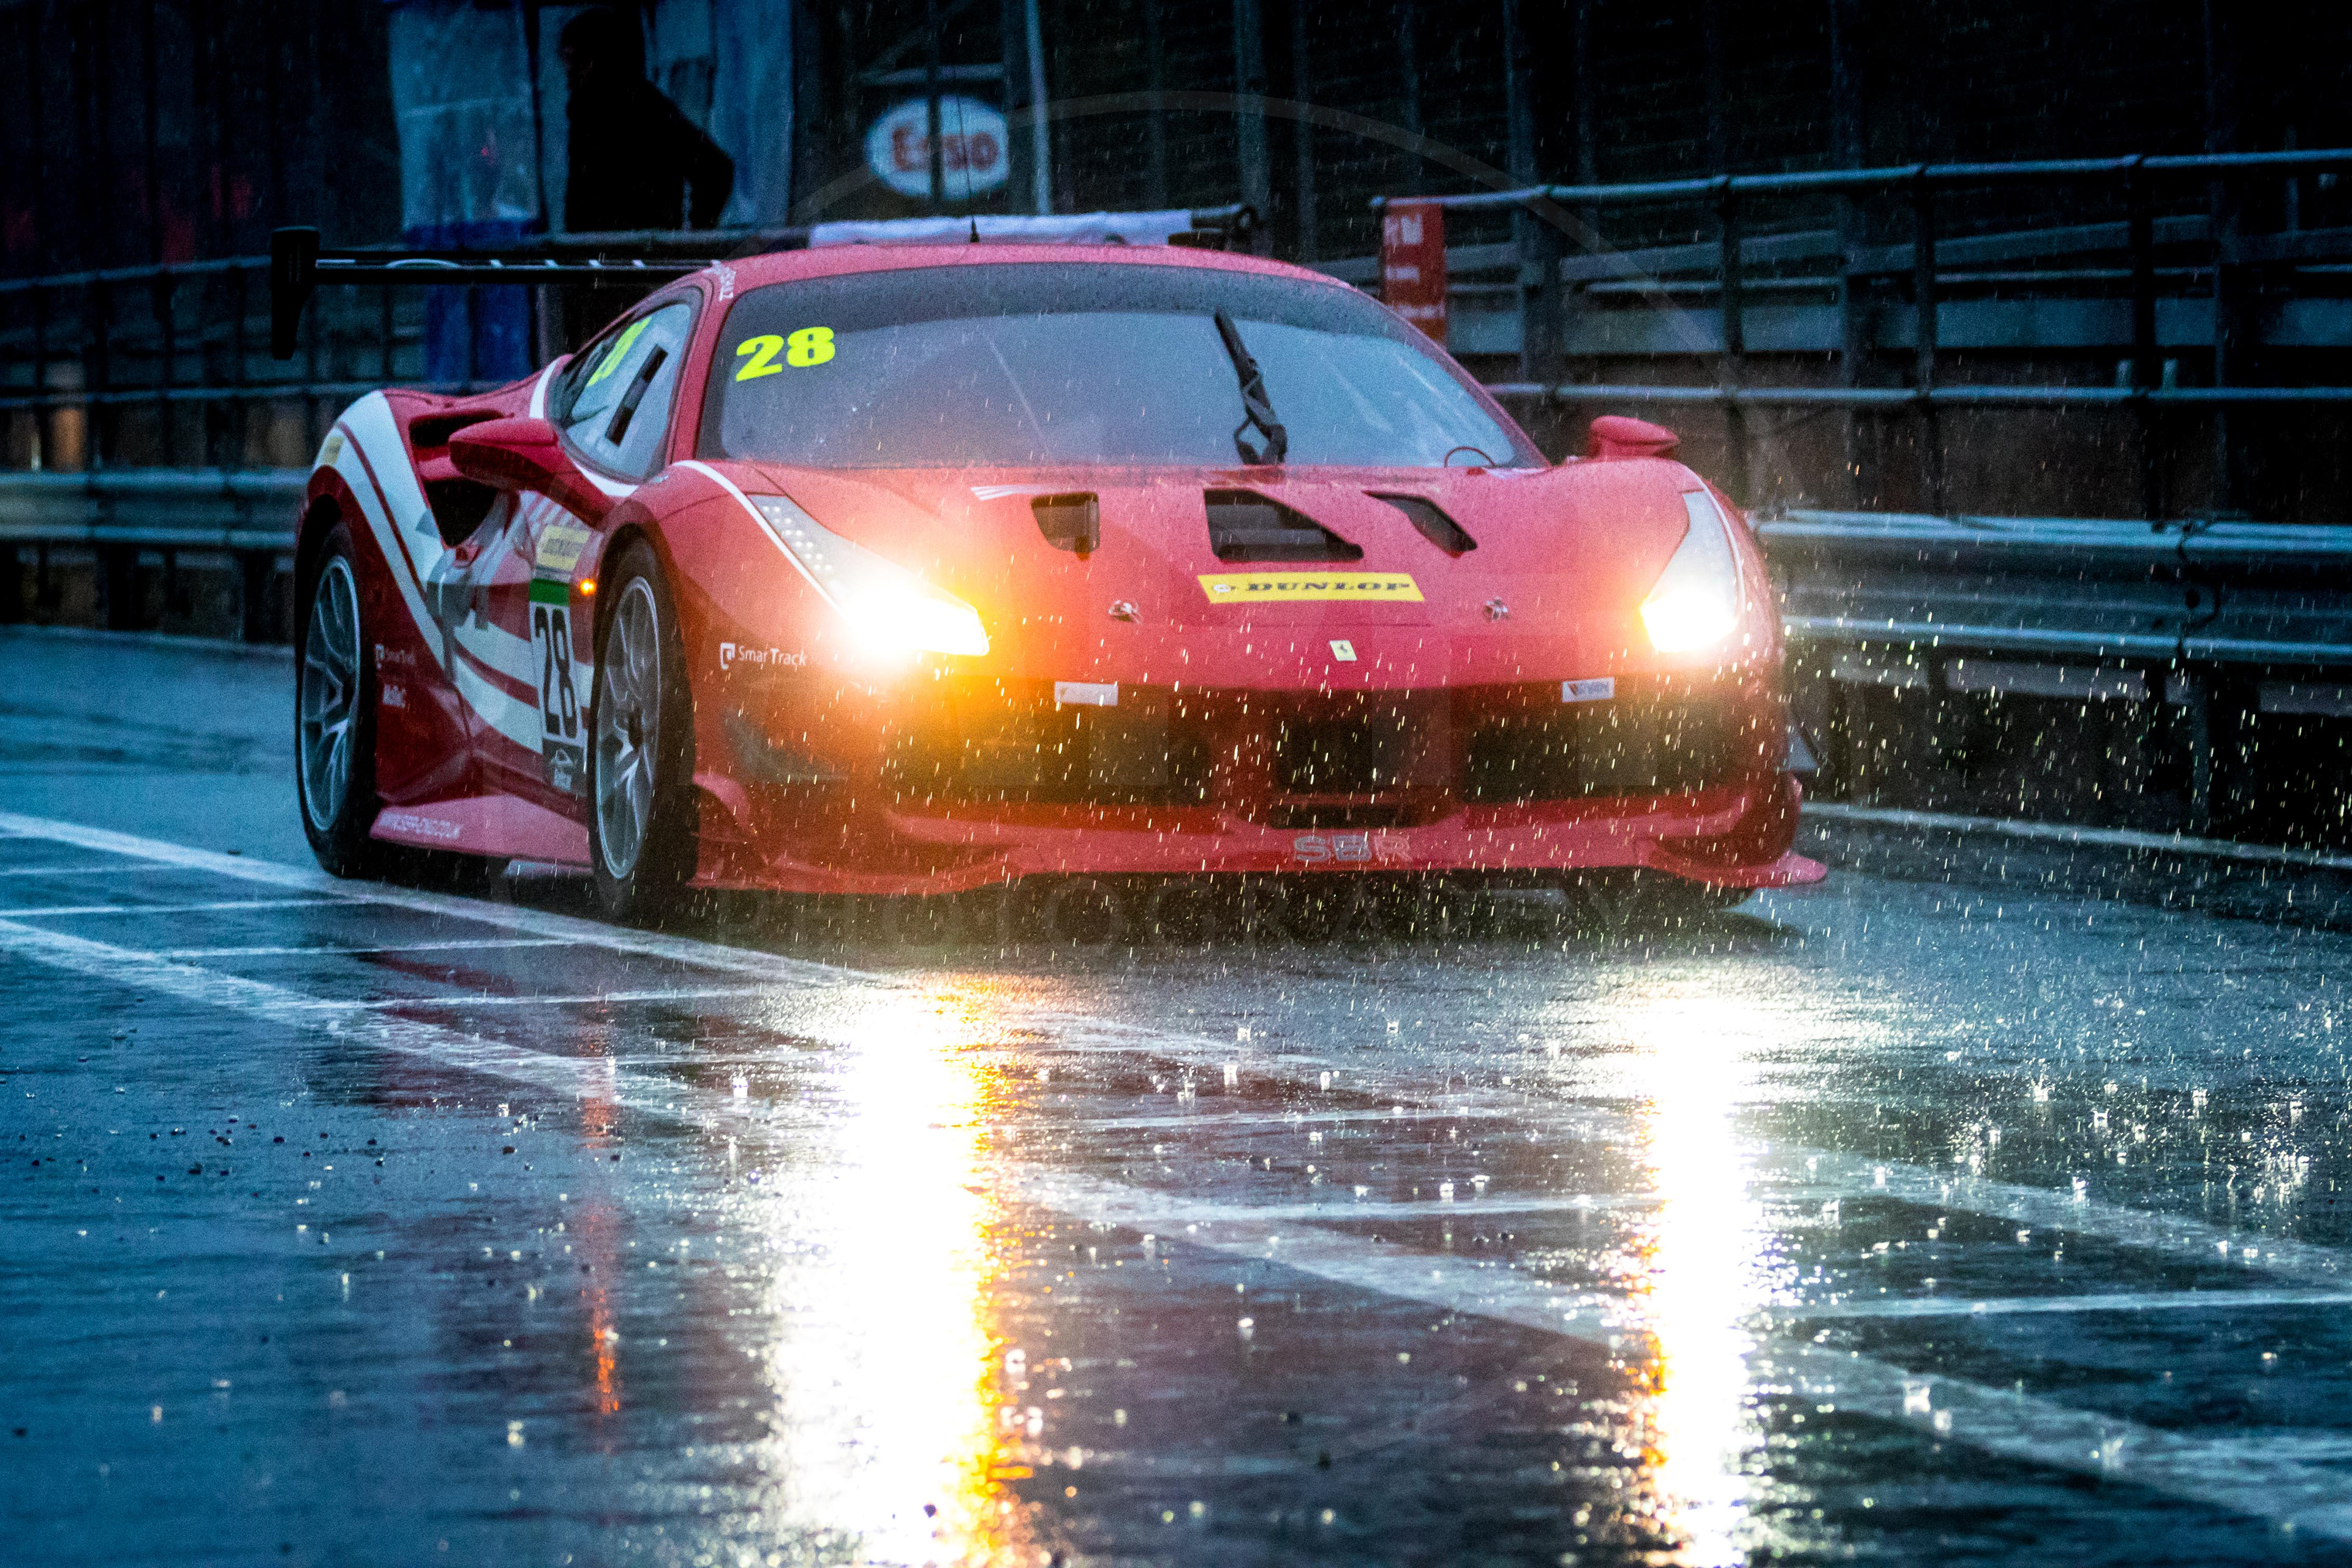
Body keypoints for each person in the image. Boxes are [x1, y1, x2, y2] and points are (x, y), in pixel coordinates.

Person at [558, 7, 736, 233]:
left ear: (598, 60)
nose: (569, 72)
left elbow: (716, 168)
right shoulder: (587, 115)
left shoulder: (643, 108)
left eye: (576, 60)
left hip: (641, 258)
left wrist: (692, 239)